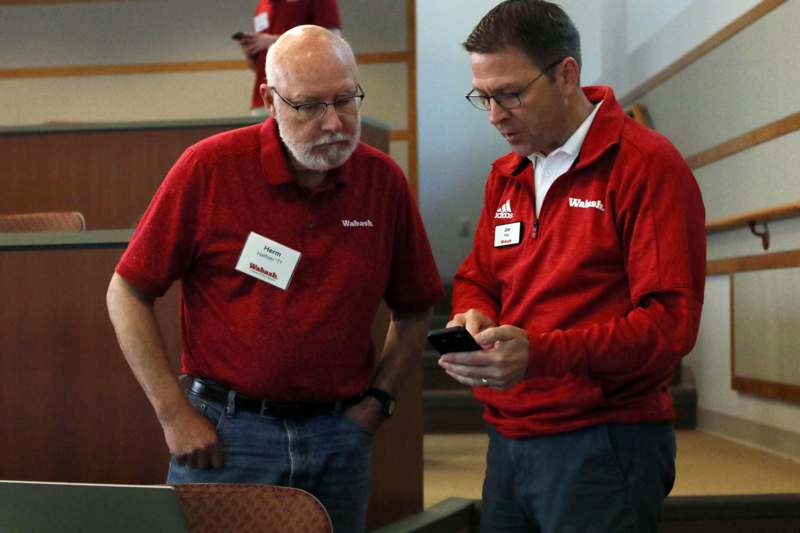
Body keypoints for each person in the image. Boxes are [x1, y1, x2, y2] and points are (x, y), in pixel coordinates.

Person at [107, 25, 442, 533]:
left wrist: (378, 403)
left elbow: (416, 308)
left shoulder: (382, 181)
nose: (334, 123)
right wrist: (173, 415)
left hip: (340, 435)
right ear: (270, 100)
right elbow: (126, 292)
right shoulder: (210, 168)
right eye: (309, 106)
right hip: (225, 436)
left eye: (346, 100)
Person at [438, 1, 706, 531]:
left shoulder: (646, 165)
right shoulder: (507, 173)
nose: (495, 115)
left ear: (566, 75)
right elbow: (479, 277)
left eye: (510, 94)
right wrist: (470, 315)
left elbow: (670, 326)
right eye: (483, 97)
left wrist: (540, 354)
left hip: (605, 439)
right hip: (510, 433)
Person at [237, 0, 342, 114]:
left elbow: (332, 43)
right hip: (264, 99)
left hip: (302, 97)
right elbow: (258, 67)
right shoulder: (262, 5)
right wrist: (250, 53)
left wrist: (272, 41)